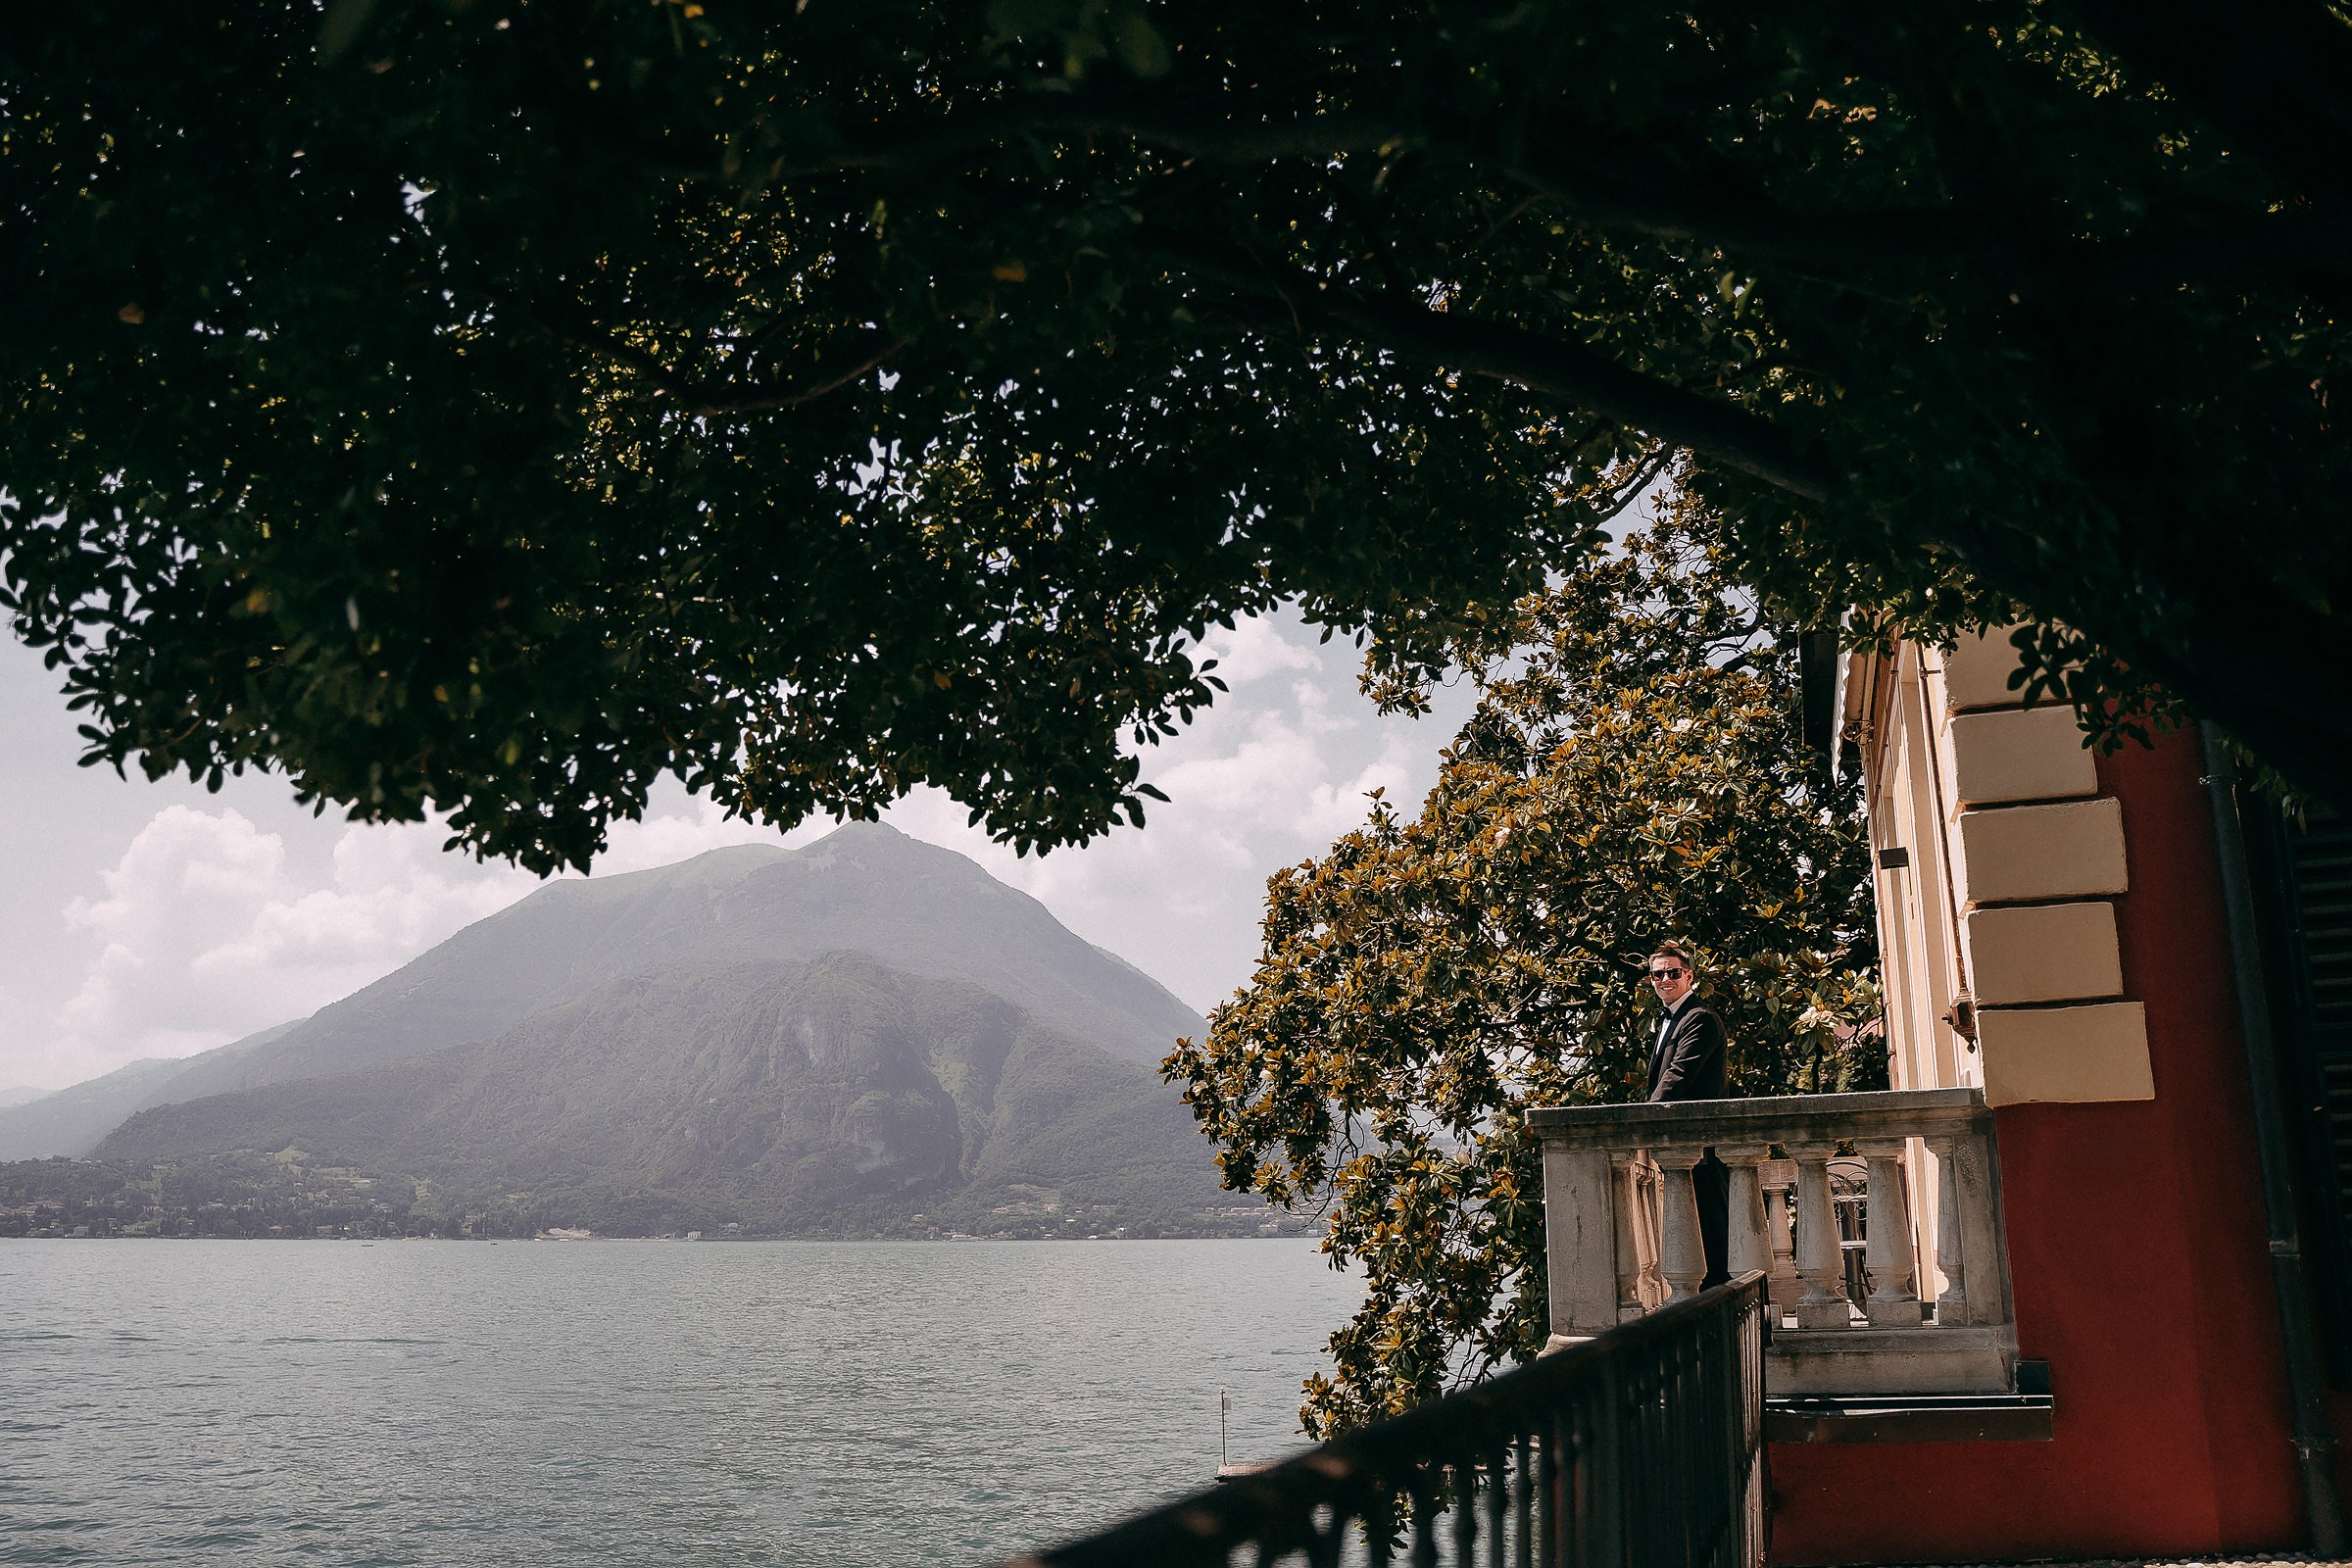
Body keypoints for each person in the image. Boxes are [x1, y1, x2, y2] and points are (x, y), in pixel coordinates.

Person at [1644, 941, 1731, 1289]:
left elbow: (1678, 1077)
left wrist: (1642, 1121)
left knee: (1715, 1241)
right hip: (1687, 1152)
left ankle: (1731, 1332)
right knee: (1698, 1243)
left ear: (1689, 976)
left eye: (1673, 973)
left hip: (1704, 1150)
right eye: (1657, 974)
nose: (1665, 979)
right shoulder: (1670, 1019)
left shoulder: (1700, 1018)